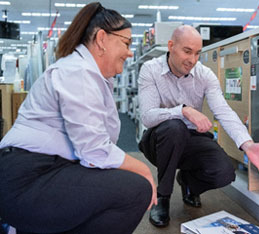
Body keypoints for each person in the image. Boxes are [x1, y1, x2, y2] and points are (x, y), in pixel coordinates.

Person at [0, 2, 157, 234]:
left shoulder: (88, 74)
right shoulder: (78, 71)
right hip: (25, 178)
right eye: (126, 43)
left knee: (119, 179)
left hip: (39, 172)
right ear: (102, 39)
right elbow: (94, 149)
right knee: (136, 189)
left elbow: (99, 148)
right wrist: (143, 169)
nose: (130, 52)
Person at [138, 25, 259, 227]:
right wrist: (183, 110)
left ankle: (188, 182)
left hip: (191, 139)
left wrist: (248, 145)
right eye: (187, 51)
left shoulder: (205, 75)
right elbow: (147, 117)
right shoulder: (150, 69)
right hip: (159, 140)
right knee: (174, 127)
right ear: (171, 46)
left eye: (197, 53)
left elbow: (223, 111)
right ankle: (162, 198)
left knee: (224, 172)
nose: (192, 60)